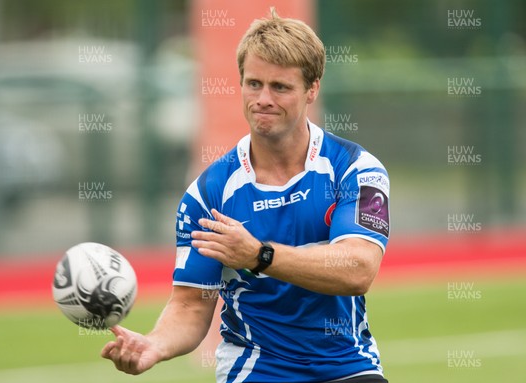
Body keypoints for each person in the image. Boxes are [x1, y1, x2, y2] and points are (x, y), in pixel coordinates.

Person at [102, 8, 390, 383]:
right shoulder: (208, 194)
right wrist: (154, 345)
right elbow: (191, 305)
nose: (263, 99)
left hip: (347, 365)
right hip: (256, 369)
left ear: (312, 89)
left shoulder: (356, 169)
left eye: (280, 87)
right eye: (253, 84)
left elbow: (358, 268)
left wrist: (258, 255)